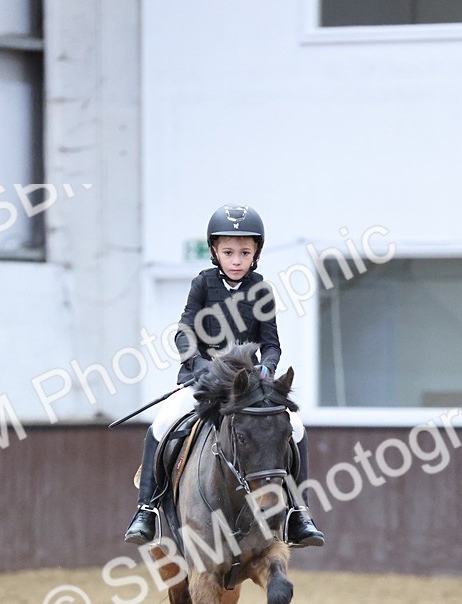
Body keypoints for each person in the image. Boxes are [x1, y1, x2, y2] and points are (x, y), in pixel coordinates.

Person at [124, 203, 324, 548]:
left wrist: (267, 368)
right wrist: (200, 366)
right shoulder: (202, 284)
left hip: (247, 388)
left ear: (255, 253)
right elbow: (183, 332)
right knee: (161, 423)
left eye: (244, 252)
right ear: (215, 251)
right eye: (228, 252)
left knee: (295, 426)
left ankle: (298, 513)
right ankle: (147, 509)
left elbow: (271, 345)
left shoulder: (261, 290)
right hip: (204, 384)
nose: (236, 259)